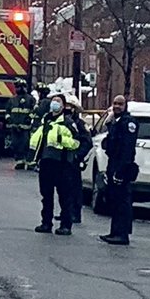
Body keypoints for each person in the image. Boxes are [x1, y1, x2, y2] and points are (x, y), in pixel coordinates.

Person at [30, 93, 81, 235]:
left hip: (62, 163)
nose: (55, 104)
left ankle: (66, 225)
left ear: (63, 106)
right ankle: (46, 223)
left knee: (64, 196)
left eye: (58, 101)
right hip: (46, 163)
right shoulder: (45, 120)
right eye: (53, 101)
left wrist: (60, 138)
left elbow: (76, 142)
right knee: (46, 195)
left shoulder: (68, 122)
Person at [100, 95, 139, 245]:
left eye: (120, 104)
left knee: (123, 201)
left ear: (125, 106)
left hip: (122, 166)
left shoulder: (128, 123)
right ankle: (114, 231)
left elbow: (127, 149)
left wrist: (121, 171)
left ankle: (122, 234)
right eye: (115, 103)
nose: (117, 106)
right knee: (115, 200)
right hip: (113, 163)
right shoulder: (116, 122)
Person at [62, 93, 92, 224]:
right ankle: (66, 212)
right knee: (64, 188)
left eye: (70, 106)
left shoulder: (79, 124)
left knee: (75, 188)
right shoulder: (62, 122)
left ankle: (75, 213)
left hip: (73, 161)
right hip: (62, 160)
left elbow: (87, 142)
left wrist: (78, 156)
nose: (68, 109)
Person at [5, 80, 37, 170]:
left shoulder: (30, 99)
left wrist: (29, 118)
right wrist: (8, 119)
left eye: (19, 87)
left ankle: (27, 161)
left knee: (25, 144)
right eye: (16, 87)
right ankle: (19, 161)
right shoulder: (12, 99)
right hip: (14, 126)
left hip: (25, 127)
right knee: (15, 144)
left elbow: (34, 110)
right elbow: (7, 111)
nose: (17, 89)